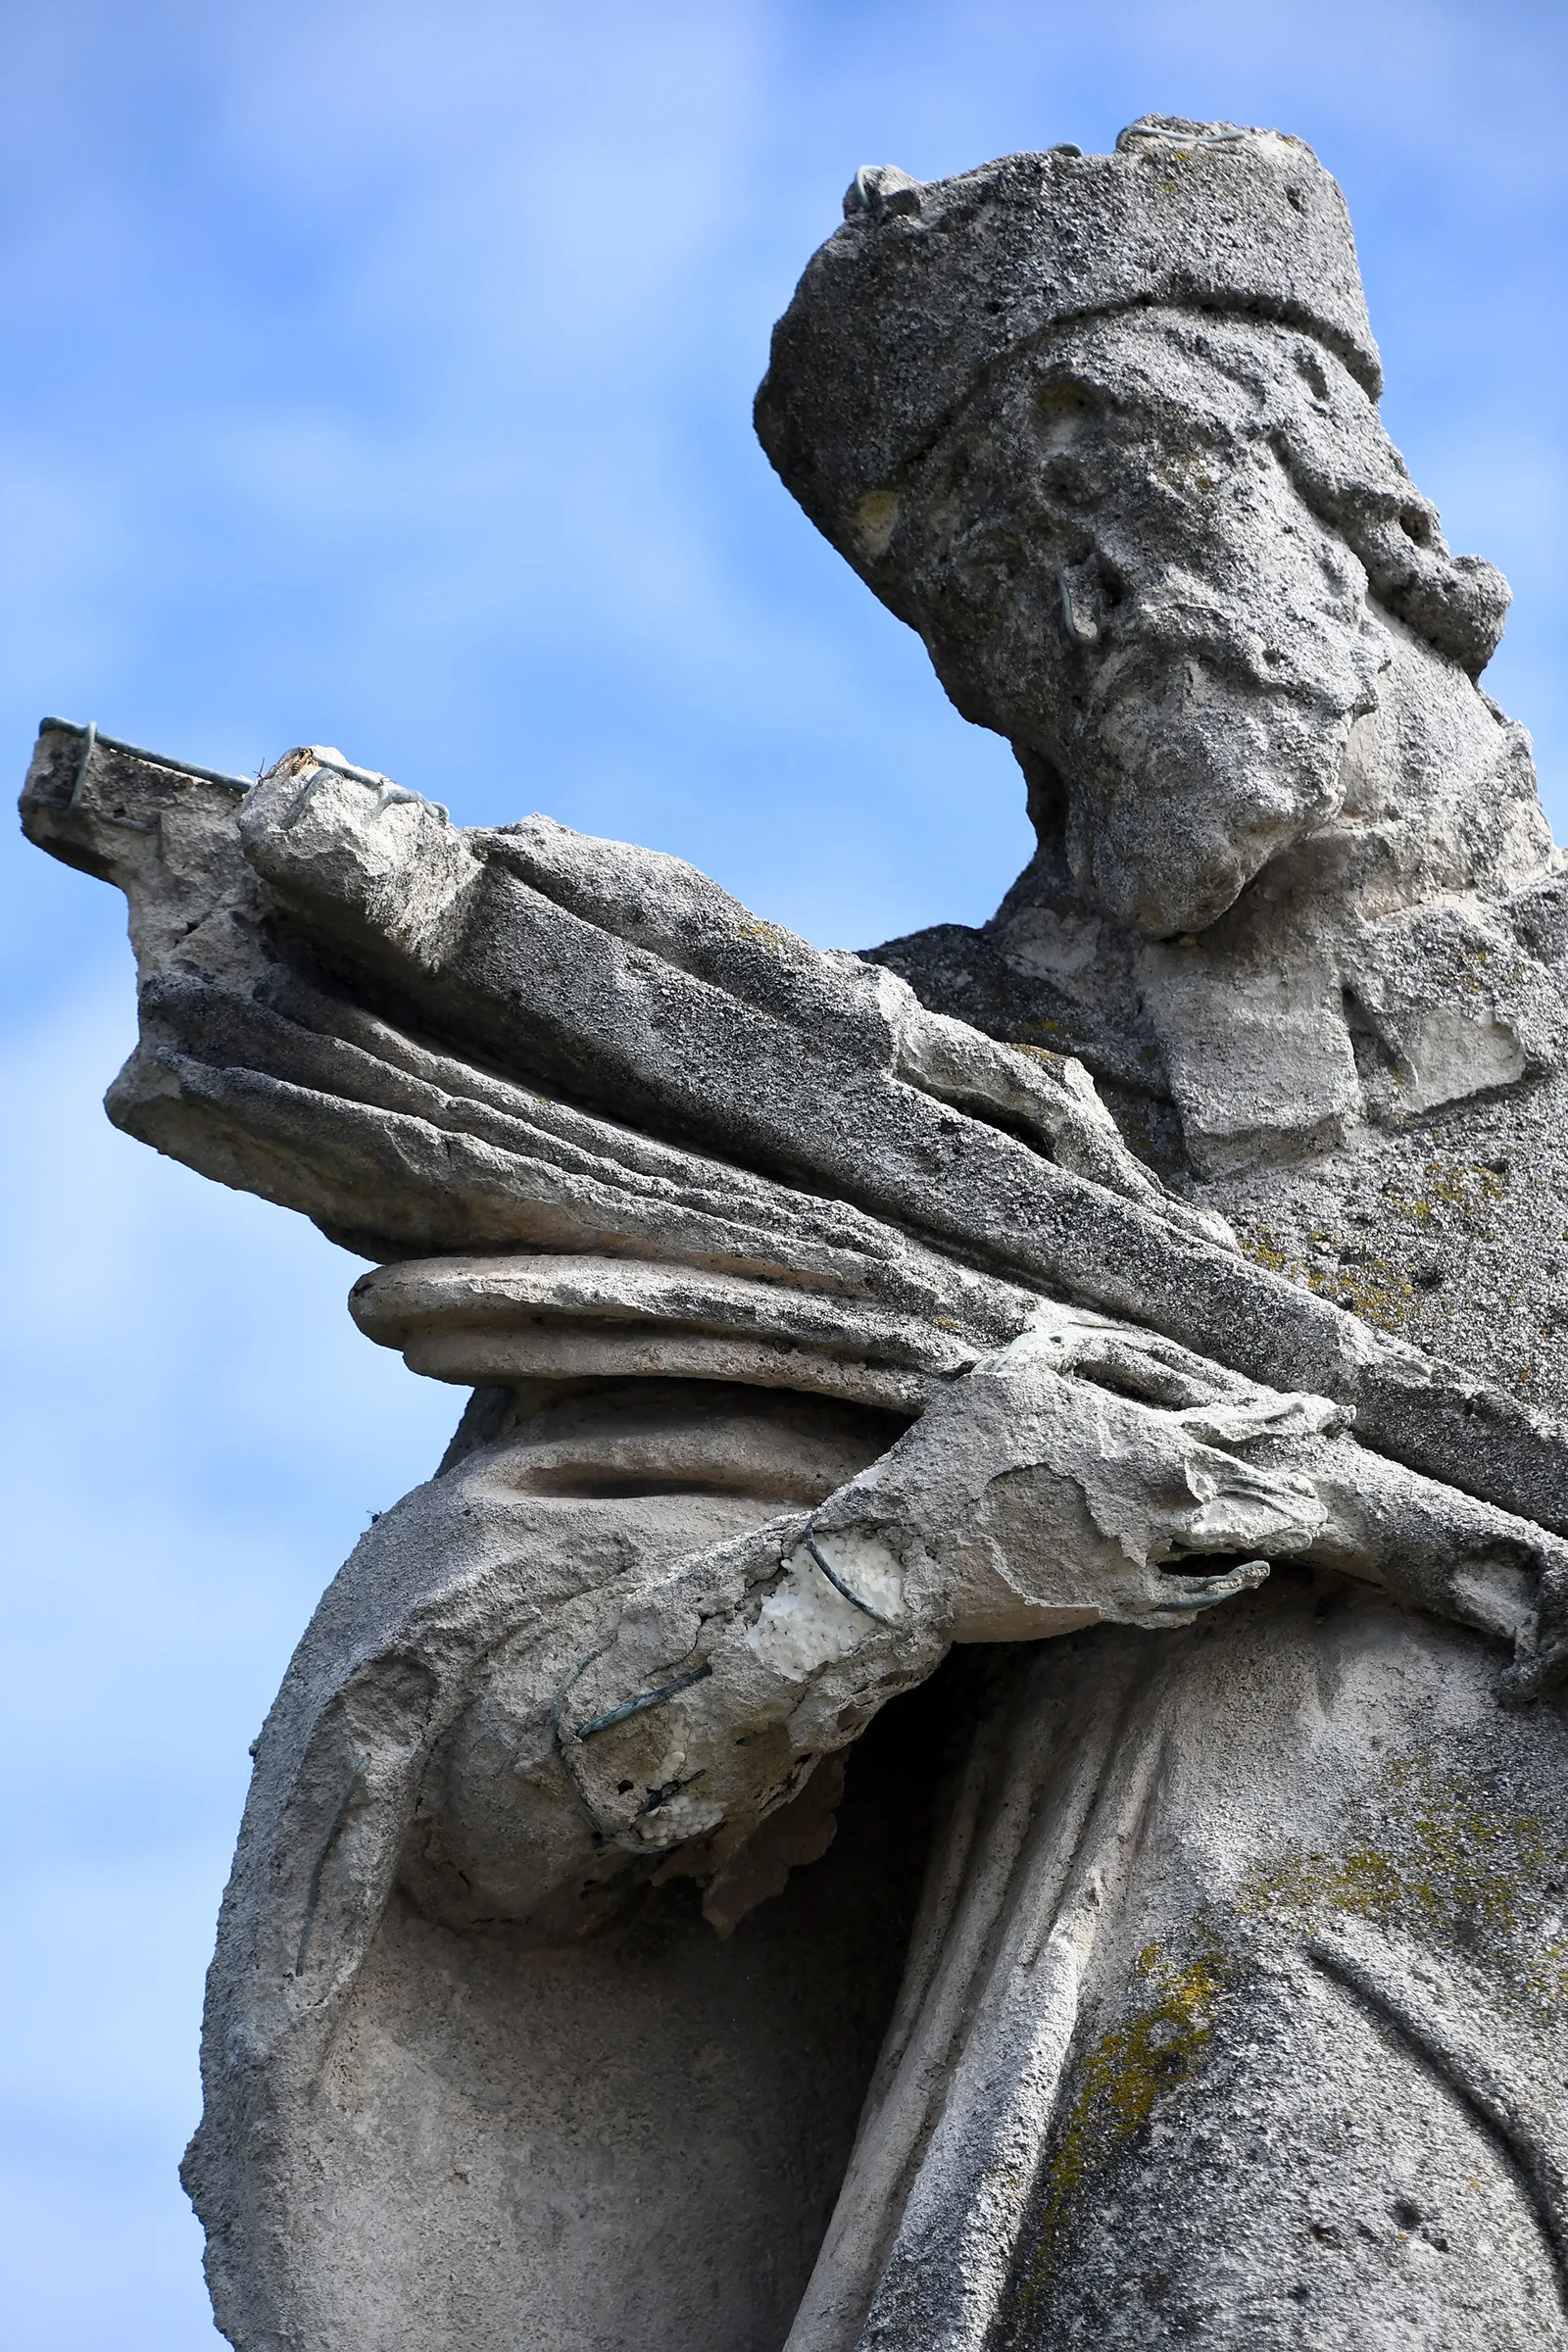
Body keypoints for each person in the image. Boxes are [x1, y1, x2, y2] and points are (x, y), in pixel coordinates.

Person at [23, 117, 1568, 2351]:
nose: (1077, 617)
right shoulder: (883, 1127)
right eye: (973, 591)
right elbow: (485, 1796)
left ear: (1355, 494)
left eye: (1109, 489)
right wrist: (900, 1561)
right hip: (1289, 2102)